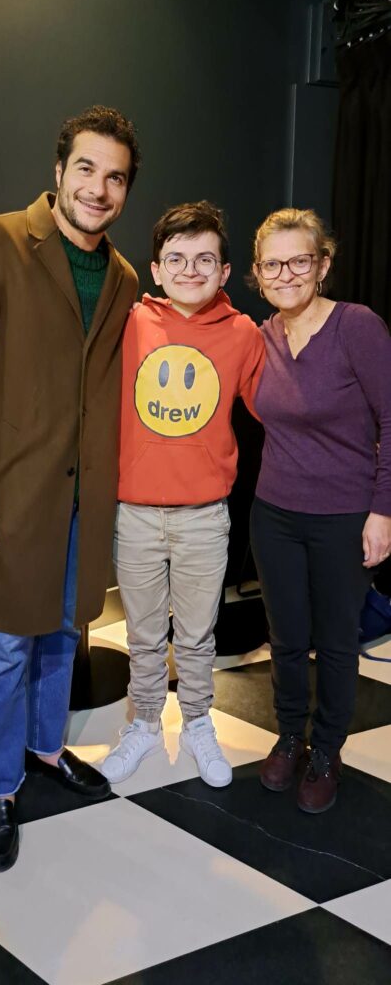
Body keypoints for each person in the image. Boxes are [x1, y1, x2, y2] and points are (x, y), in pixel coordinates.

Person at [0, 105, 140, 870]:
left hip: (84, 502)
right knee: (2, 648)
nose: (99, 187)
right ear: (58, 172)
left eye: (115, 176)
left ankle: (48, 751)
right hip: (7, 498)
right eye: (86, 168)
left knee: (63, 636)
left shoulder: (122, 276)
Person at [101, 201, 265, 788]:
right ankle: (143, 724)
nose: (190, 270)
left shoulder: (244, 334)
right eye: (177, 258)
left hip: (204, 515)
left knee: (197, 634)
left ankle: (198, 722)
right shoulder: (131, 321)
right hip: (137, 512)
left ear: (224, 272)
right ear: (155, 268)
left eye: (205, 259)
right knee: (144, 635)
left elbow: (279, 406)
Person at [249, 207, 391, 813]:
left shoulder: (357, 327)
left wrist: (383, 512)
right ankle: (289, 734)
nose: (286, 274)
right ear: (257, 273)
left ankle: (327, 747)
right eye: (273, 264)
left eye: (299, 260)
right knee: (285, 638)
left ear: (323, 265)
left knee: (336, 641)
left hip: (343, 515)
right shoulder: (263, 337)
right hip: (274, 512)